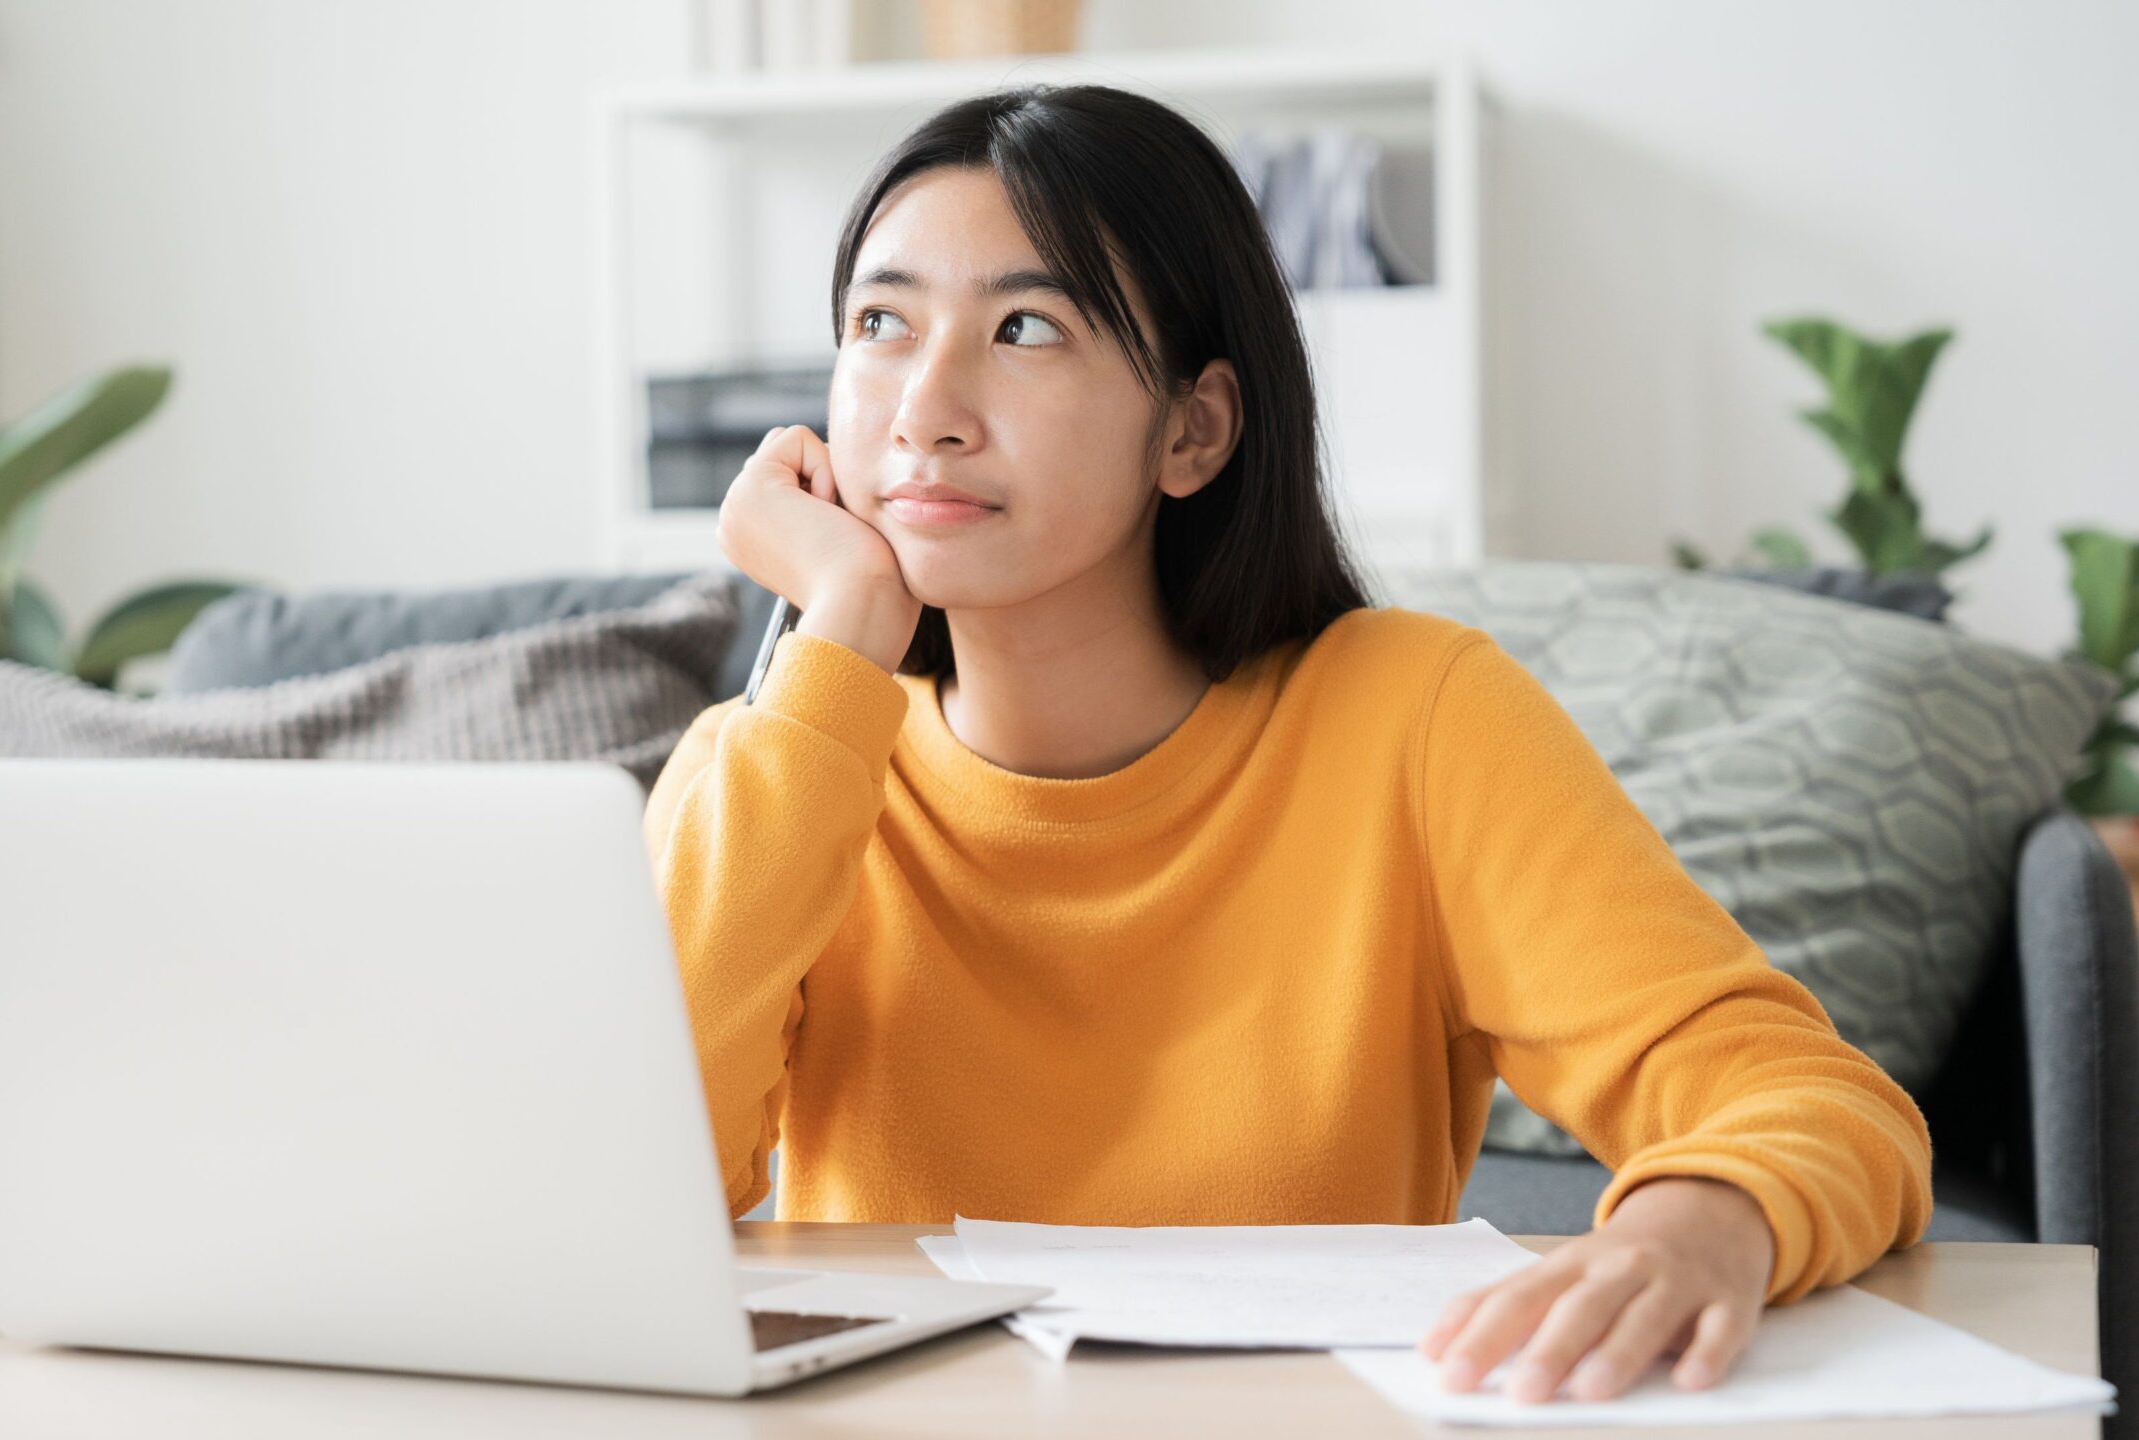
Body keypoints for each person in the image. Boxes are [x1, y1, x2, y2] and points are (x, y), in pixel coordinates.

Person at [641, 83, 1931, 1406]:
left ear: (1194, 429)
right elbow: (632, 1196)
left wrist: (1694, 1229)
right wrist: (839, 633)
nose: (925, 406)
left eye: (1024, 326)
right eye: (880, 324)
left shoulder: (1414, 723)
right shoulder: (781, 761)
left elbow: (1805, 1097)